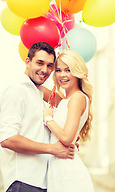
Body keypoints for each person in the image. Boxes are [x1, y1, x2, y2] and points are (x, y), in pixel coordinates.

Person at [0, 42, 75, 192]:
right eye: (39, 63)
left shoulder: (38, 92)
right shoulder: (16, 89)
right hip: (22, 181)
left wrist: (65, 140)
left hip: (41, 182)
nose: (44, 70)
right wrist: (53, 149)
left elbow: (67, 104)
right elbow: (7, 139)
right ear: (28, 62)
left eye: (50, 66)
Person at [42, 49, 94, 192]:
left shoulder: (77, 97)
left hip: (68, 172)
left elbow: (66, 137)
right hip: (58, 169)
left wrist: (48, 119)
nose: (62, 75)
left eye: (68, 70)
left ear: (77, 72)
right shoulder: (65, 100)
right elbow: (38, 88)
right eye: (58, 70)